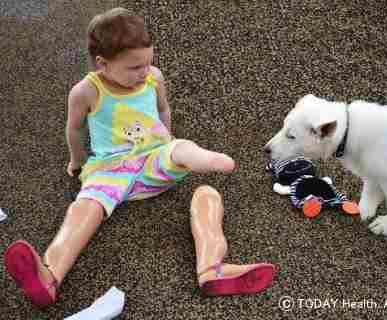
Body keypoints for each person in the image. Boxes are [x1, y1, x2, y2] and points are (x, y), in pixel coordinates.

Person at [4, 7, 274, 307]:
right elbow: (75, 130)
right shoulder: (86, 91)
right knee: (85, 208)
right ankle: (50, 274)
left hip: (154, 163)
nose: (144, 72)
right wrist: (77, 161)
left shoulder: (153, 78)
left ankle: (212, 267)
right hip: (111, 167)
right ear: (102, 63)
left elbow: (163, 110)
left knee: (198, 177)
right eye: (134, 67)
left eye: (148, 62)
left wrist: (167, 141)